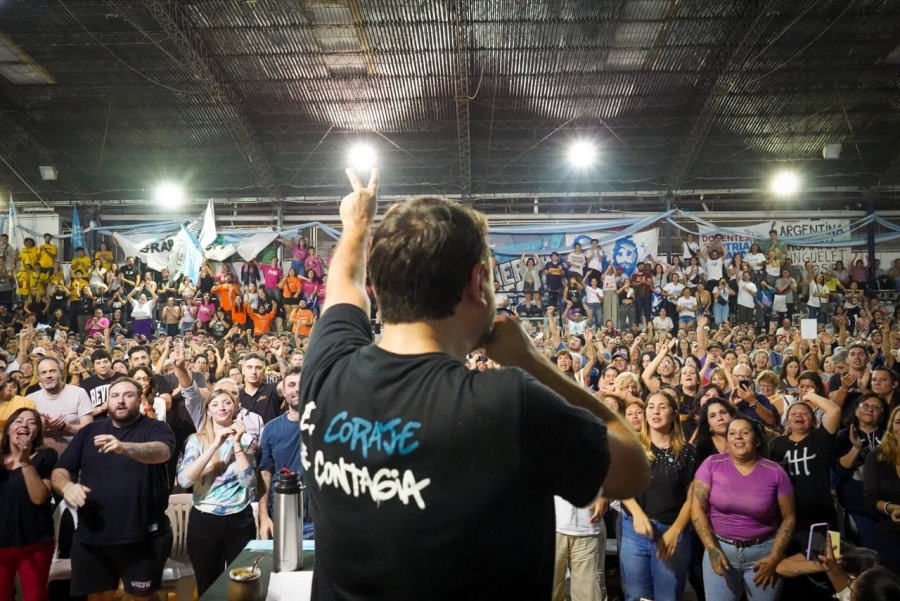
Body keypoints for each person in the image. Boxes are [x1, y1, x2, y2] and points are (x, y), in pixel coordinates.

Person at [299, 169, 649, 599]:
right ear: (476, 281)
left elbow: (343, 287)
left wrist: (355, 226)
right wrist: (531, 362)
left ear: (381, 283)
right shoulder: (507, 403)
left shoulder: (325, 366)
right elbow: (632, 470)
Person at [51, 378, 175, 601]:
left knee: (141, 598)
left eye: (128, 395)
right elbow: (60, 470)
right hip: (93, 535)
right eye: (115, 396)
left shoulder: (156, 428)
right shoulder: (88, 432)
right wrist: (67, 485)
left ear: (140, 400)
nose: (120, 401)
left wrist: (123, 447)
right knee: (97, 597)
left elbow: (162, 452)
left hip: (143, 536)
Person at [691, 416, 796, 601]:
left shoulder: (775, 472)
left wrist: (775, 556)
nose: (738, 437)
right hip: (720, 550)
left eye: (744, 432)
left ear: (756, 441)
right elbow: (697, 508)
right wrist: (711, 549)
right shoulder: (711, 464)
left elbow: (789, 518)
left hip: (763, 555)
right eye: (732, 433)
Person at [176, 388, 256, 596]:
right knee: (207, 584)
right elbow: (184, 479)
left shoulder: (247, 441)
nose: (222, 407)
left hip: (240, 517)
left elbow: (248, 483)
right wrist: (214, 446)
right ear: (208, 411)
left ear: (234, 408)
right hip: (205, 519)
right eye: (216, 404)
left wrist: (237, 443)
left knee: (243, 582)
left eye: (227, 403)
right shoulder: (196, 440)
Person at [620, 390, 697, 601]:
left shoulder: (689, 452)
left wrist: (676, 530)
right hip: (635, 532)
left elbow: (693, 497)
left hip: (672, 532)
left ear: (673, 413)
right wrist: (637, 514)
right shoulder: (632, 445)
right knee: (637, 596)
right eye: (651, 407)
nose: (655, 411)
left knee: (668, 596)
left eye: (662, 406)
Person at [0, 408, 57, 601]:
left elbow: (39, 497)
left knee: (35, 597)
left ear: (38, 432)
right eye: (18, 421)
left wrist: (25, 462)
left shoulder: (46, 456)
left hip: (35, 543)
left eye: (31, 422)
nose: (24, 424)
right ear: (8, 430)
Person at [257, 367, 314, 540]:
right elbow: (265, 475)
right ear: (284, 391)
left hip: (320, 519)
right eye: (291, 384)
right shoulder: (271, 429)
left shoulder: (327, 423)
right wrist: (264, 516)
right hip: (282, 517)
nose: (297, 389)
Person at [27, 357, 93, 454]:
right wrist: (41, 427)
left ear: (61, 373)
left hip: (74, 455)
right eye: (44, 372)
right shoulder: (30, 399)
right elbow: (25, 435)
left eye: (52, 371)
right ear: (39, 377)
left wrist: (64, 427)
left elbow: (89, 430)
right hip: (40, 458)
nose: (48, 376)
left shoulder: (79, 393)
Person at [863, 404, 900, 574]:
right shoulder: (877, 456)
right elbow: (871, 499)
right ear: (892, 425)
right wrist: (892, 508)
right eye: (898, 422)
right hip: (890, 534)